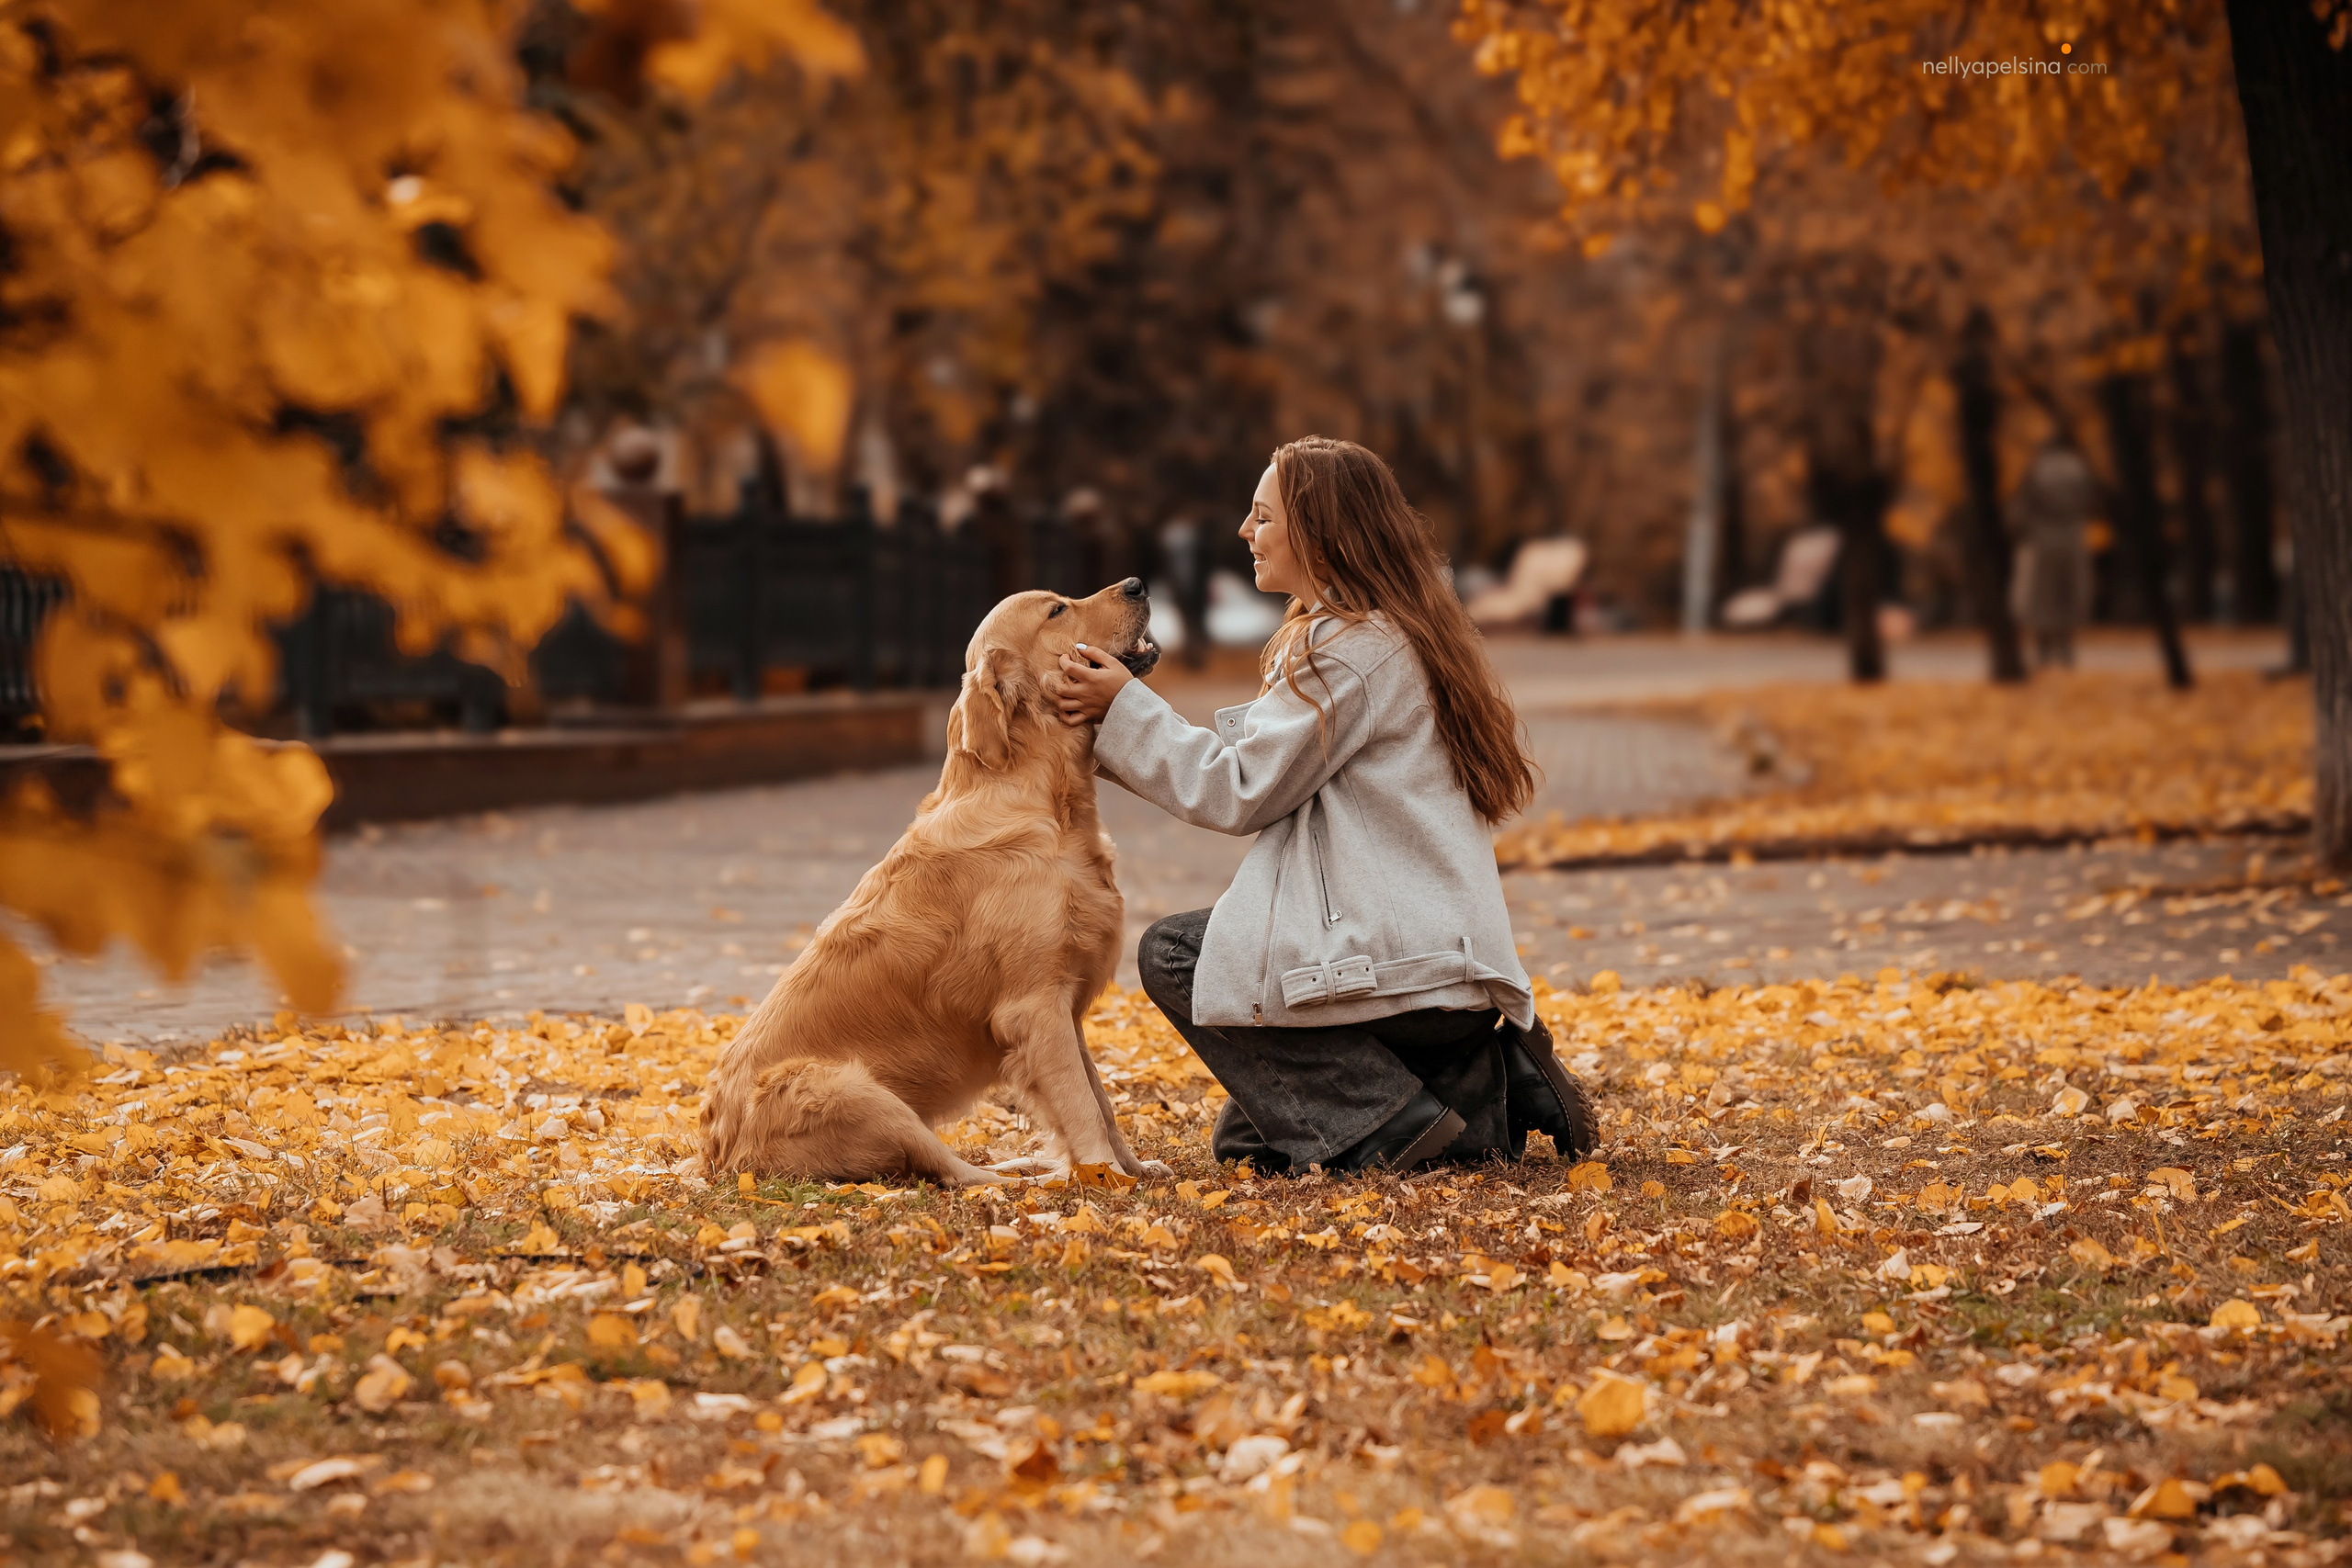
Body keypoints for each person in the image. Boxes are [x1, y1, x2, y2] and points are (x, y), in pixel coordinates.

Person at [1054, 435, 1593, 1175]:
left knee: (1176, 954)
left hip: (1402, 972)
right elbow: (1262, 760)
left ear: (1321, 531)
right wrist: (1114, 729)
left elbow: (1239, 786)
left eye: (1263, 516)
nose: (1246, 532)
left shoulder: (1348, 652)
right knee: (1248, 1140)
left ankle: (1403, 1125)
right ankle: (1482, 1081)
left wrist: (1125, 708)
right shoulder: (1392, 634)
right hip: (1434, 971)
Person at [2008, 438, 2098, 669]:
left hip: (2041, 539)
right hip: (2072, 537)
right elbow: (2091, 500)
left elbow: (2022, 506)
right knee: (2067, 593)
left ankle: (2044, 649)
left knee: (2040, 596)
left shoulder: (2034, 470)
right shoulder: (2079, 469)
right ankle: (2066, 647)